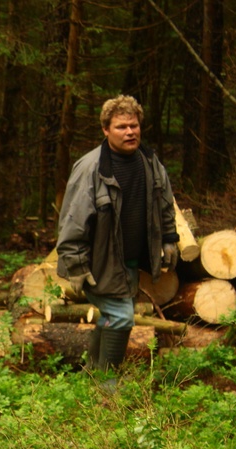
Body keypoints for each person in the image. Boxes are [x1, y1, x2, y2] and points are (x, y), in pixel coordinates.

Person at [56, 94, 179, 373]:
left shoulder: (149, 162)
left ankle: (94, 372)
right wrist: (76, 265)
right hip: (100, 261)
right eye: (121, 126)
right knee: (122, 318)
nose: (130, 131)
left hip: (132, 260)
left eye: (134, 125)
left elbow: (165, 204)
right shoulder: (90, 168)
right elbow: (72, 221)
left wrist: (170, 238)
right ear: (106, 130)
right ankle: (107, 384)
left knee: (113, 315)